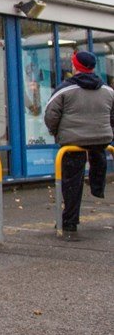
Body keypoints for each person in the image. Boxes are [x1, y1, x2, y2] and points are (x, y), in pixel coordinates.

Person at [44, 51, 114, 240]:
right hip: (101, 139)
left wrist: (56, 132)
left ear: (75, 66)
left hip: (73, 141)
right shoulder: (108, 90)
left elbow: (51, 115)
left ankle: (70, 221)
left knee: (72, 182)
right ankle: (97, 184)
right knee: (98, 151)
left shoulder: (65, 89)